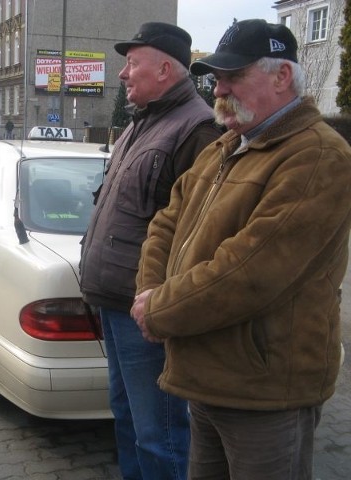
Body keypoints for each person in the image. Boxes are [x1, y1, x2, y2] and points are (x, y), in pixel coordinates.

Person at [131, 19, 351, 480]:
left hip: (265, 391)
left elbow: (250, 271)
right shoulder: (226, 147)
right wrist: (149, 291)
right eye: (216, 79)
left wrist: (160, 310)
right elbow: (164, 224)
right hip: (207, 377)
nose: (219, 90)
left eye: (234, 77)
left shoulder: (318, 155)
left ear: (281, 76)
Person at [79, 22, 222, 479]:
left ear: (164, 69)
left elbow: (196, 233)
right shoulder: (143, 123)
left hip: (145, 313)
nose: (123, 74)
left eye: (133, 62)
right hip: (115, 304)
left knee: (160, 435)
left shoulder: (198, 129)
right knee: (128, 420)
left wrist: (159, 302)